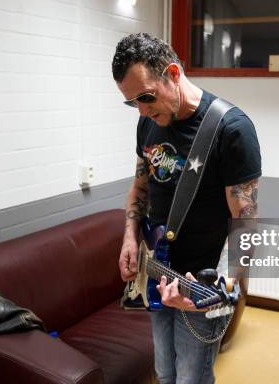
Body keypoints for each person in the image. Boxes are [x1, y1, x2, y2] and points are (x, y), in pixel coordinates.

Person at [112, 33, 261, 384]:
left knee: (191, 379)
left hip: (200, 285)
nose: (143, 110)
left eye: (147, 97)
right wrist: (130, 238)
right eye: (132, 102)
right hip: (158, 271)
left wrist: (218, 288)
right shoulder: (147, 120)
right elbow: (140, 187)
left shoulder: (231, 129)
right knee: (164, 373)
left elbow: (246, 223)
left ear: (174, 74)